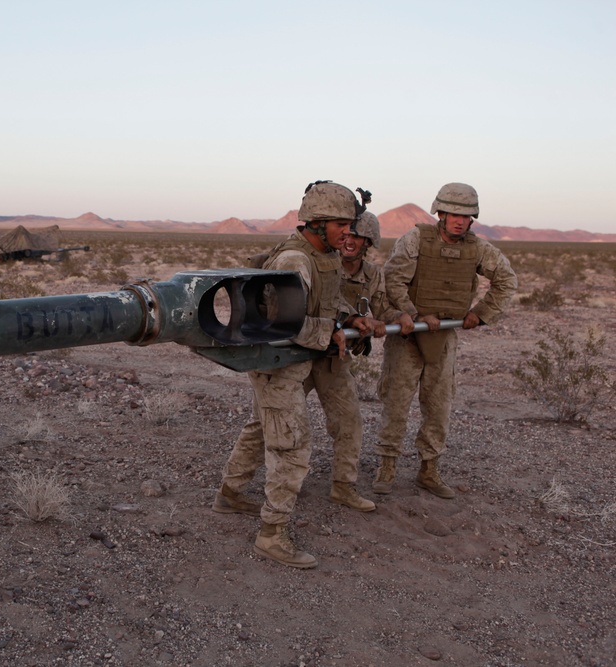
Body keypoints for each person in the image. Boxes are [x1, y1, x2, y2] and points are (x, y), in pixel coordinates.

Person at [212, 180, 374, 569]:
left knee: (259, 426)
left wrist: (347, 317)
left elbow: (326, 299)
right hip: (277, 360)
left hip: (300, 357)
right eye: (341, 225)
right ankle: (272, 534)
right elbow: (281, 323)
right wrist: (328, 331)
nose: (348, 234)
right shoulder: (293, 262)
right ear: (317, 223)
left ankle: (230, 495)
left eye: (350, 226)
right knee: (291, 445)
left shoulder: (326, 255)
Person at [374, 183, 517, 498]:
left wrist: (480, 313)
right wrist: (412, 313)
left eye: (465, 215)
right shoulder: (415, 239)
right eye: (452, 213)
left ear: (472, 218)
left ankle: (429, 470)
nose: (458, 220)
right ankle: (387, 466)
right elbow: (393, 279)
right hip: (408, 335)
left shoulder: (478, 248)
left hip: (444, 337)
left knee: (438, 406)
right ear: (440, 212)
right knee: (396, 403)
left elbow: (507, 279)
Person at [301, 211, 412, 513]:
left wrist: (396, 317)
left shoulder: (372, 275)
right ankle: (233, 487)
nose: (349, 241)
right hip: (300, 354)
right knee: (271, 422)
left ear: (368, 242)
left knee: (349, 422)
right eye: (346, 235)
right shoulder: (322, 264)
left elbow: (382, 306)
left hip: (334, 359)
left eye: (357, 237)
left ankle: (343, 487)